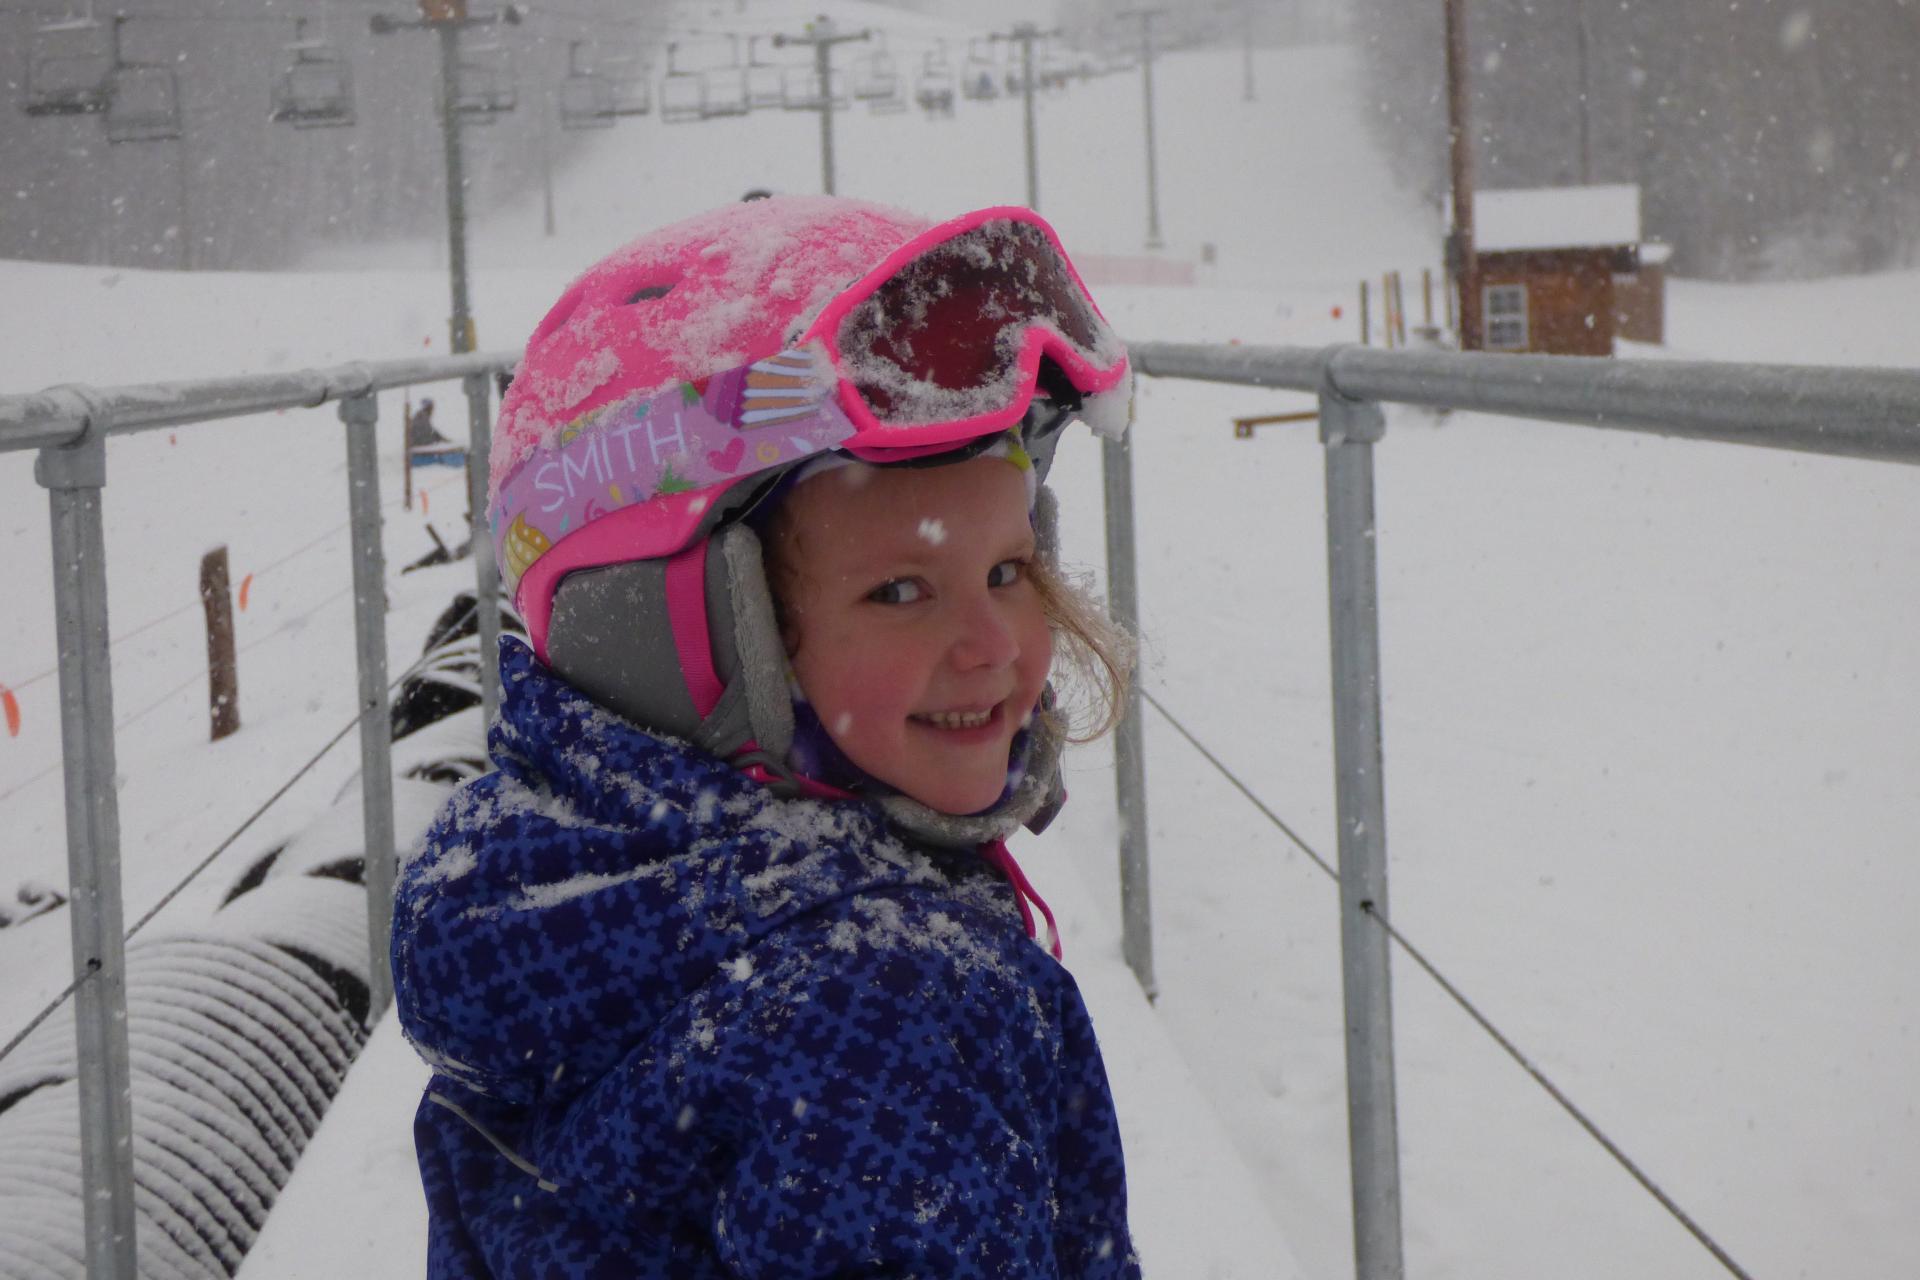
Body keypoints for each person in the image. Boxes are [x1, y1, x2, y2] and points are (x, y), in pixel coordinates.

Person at [391, 195, 1143, 1278]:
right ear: (668, 631)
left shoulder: (540, 902)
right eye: (899, 589)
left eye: (1009, 569)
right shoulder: (889, 1005)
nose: (993, 644)